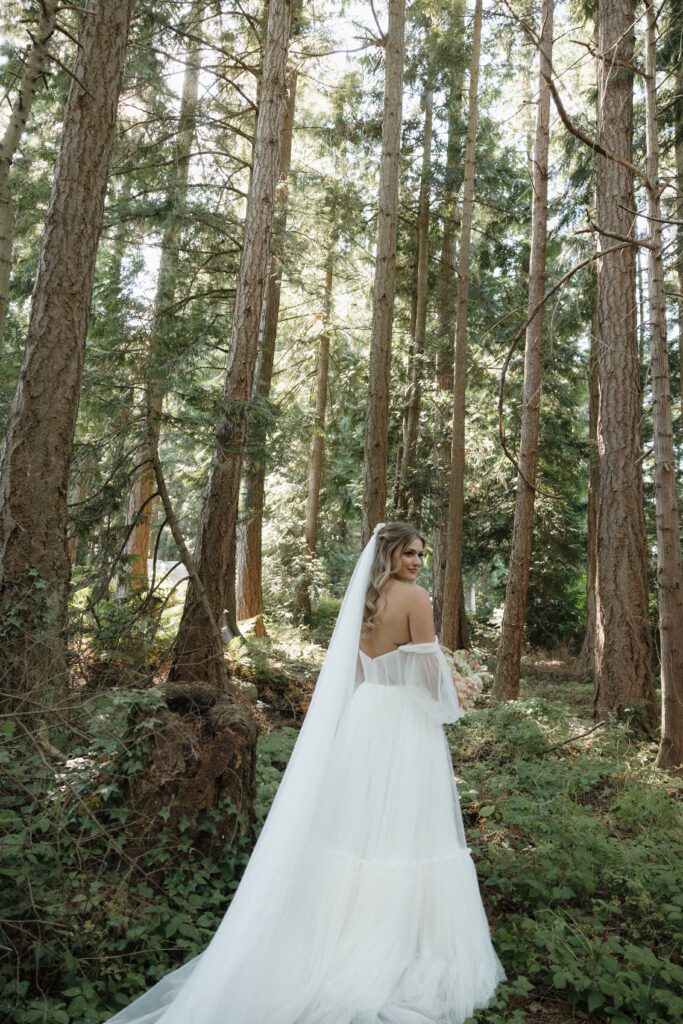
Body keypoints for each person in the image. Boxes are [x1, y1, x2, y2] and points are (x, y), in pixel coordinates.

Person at [104, 522, 506, 1024]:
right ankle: (392, 941)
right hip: (404, 724)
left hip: (365, 719)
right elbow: (427, 674)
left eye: (421, 556)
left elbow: (357, 671)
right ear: (389, 554)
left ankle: (342, 933)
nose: (417, 563)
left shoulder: (365, 600)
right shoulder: (417, 600)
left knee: (361, 827)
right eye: (409, 554)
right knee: (405, 825)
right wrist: (457, 695)